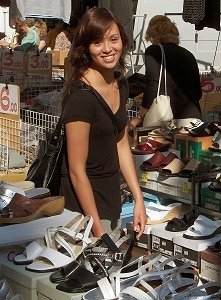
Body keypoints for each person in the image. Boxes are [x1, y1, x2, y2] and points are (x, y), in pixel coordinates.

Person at [60, 7, 146, 238]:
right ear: (86, 48)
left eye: (113, 39)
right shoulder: (81, 97)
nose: (108, 49)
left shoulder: (120, 84)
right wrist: (97, 229)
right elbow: (76, 171)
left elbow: (120, 144)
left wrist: (139, 198)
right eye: (97, 42)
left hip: (111, 203)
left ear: (122, 41)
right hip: (82, 214)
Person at [130, 15, 202, 128]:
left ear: (152, 33)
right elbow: (198, 93)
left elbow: (152, 84)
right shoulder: (188, 55)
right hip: (194, 118)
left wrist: (141, 115)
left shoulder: (154, 51)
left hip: (169, 119)